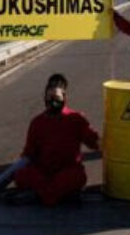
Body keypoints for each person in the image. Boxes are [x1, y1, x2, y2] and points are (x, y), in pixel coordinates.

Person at [8, 74, 100, 206]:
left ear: (64, 98)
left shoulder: (76, 119)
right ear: (45, 99)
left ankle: (44, 195)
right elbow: (29, 152)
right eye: (49, 98)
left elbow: (93, 142)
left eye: (56, 98)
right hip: (44, 171)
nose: (52, 102)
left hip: (67, 170)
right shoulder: (37, 122)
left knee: (77, 177)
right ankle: (55, 195)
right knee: (21, 175)